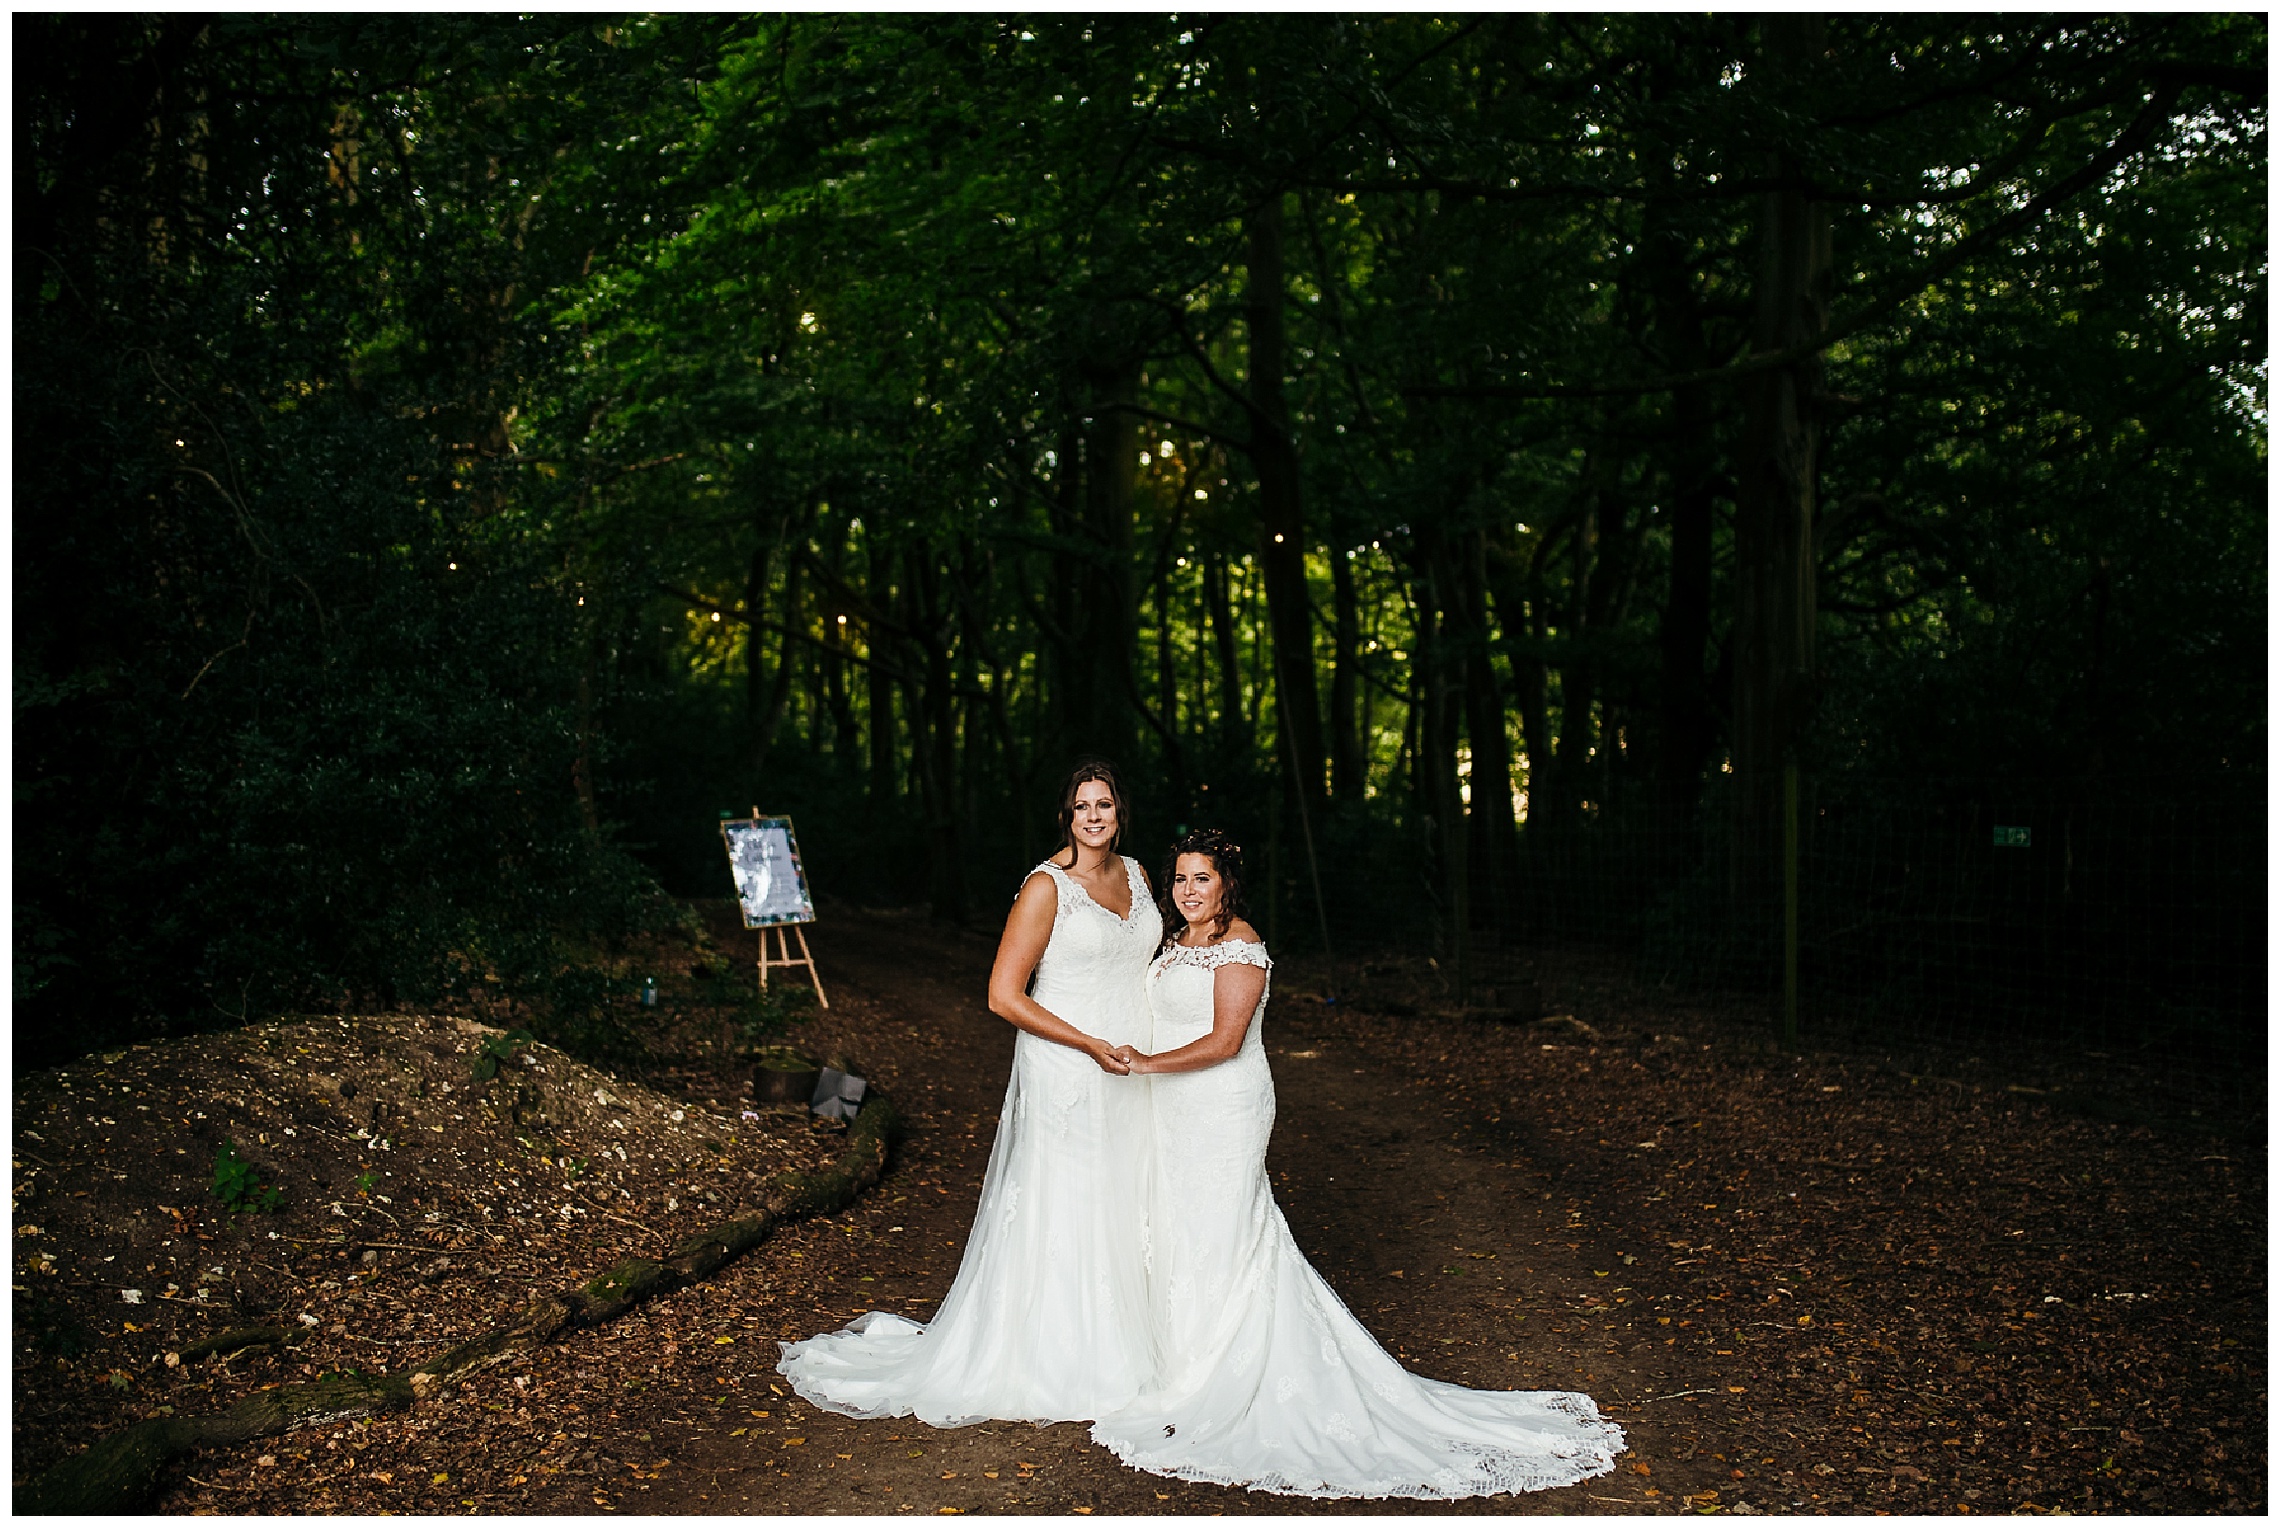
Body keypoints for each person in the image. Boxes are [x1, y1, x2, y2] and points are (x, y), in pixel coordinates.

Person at [1090, 829, 1626, 1500]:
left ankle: (1220, 1375)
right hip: (1170, 1108)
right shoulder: (1177, 943)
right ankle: (1179, 1361)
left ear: (1227, 882)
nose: (1188, 890)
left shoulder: (1240, 947)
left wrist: (1144, 1063)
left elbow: (1226, 1042)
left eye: (1202, 878)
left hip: (1221, 1106)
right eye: (1179, 879)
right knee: (1179, 1226)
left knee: (1225, 1231)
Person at [777, 759, 1162, 1426]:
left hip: (1134, 1062)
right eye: (1081, 806)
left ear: (1120, 811)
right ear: (1065, 817)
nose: (1094, 816)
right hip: (1069, 1063)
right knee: (1071, 1199)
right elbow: (1003, 995)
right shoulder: (1048, 887)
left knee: (1129, 1191)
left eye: (1104, 804)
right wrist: (1089, 1044)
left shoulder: (1140, 876)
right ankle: (1067, 1352)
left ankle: (1140, 1333)